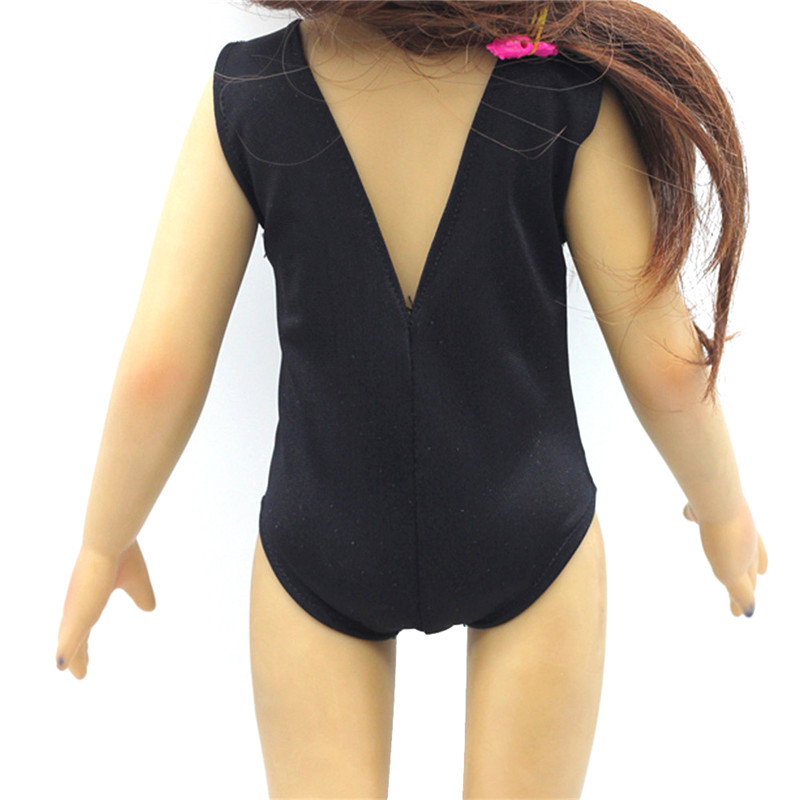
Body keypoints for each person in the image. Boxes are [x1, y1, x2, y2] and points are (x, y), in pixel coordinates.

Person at [55, 2, 769, 797]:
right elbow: (667, 366)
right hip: (531, 526)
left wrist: (102, 541)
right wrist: (724, 511)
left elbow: (160, 367)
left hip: (319, 535)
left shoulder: (249, 94)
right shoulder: (561, 89)